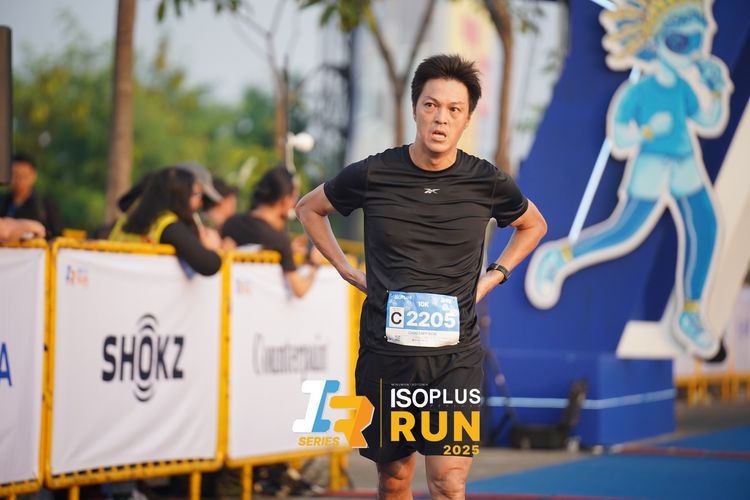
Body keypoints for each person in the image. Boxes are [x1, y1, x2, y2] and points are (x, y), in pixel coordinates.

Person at [296, 54, 546, 499]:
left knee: (448, 481)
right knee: (393, 479)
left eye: (454, 109)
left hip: (455, 357)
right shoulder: (375, 172)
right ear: (415, 109)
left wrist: (494, 276)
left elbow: (533, 225)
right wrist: (346, 269)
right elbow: (309, 208)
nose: (441, 118)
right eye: (431, 105)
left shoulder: (485, 181)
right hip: (385, 353)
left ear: (467, 118)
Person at [525, 0, 730, 360]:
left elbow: (709, 120)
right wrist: (649, 130)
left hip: (684, 165)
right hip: (651, 168)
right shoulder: (638, 92)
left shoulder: (683, 88)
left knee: (706, 226)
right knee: (624, 232)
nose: (693, 52)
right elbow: (620, 138)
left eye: (698, 41)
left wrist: (715, 90)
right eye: (681, 42)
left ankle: (690, 311)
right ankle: (561, 256)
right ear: (657, 42)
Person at [222, 166, 322, 298]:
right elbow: (299, 290)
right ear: (286, 199)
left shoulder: (231, 223)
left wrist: (289, 250)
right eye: (294, 197)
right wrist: (314, 265)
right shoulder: (279, 241)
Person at [109, 167, 222, 276]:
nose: (200, 202)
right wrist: (213, 248)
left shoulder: (130, 214)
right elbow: (209, 265)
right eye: (195, 194)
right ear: (181, 195)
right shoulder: (168, 226)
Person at [0, 153, 62, 237]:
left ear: (34, 175)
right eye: (15, 175)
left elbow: (57, 235)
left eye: (24, 176)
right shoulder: (3, 202)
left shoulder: (44, 204)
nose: (20, 180)